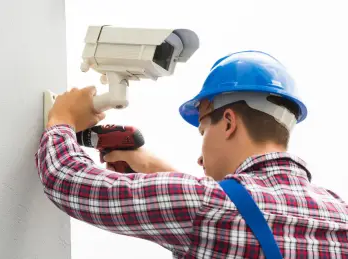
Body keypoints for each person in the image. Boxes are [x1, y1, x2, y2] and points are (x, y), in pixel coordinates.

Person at [35, 50, 348, 258]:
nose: (200, 159)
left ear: (228, 123)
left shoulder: (202, 205)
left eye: (202, 132)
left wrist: (63, 118)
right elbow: (237, 210)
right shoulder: (339, 212)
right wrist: (154, 169)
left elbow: (66, 179)